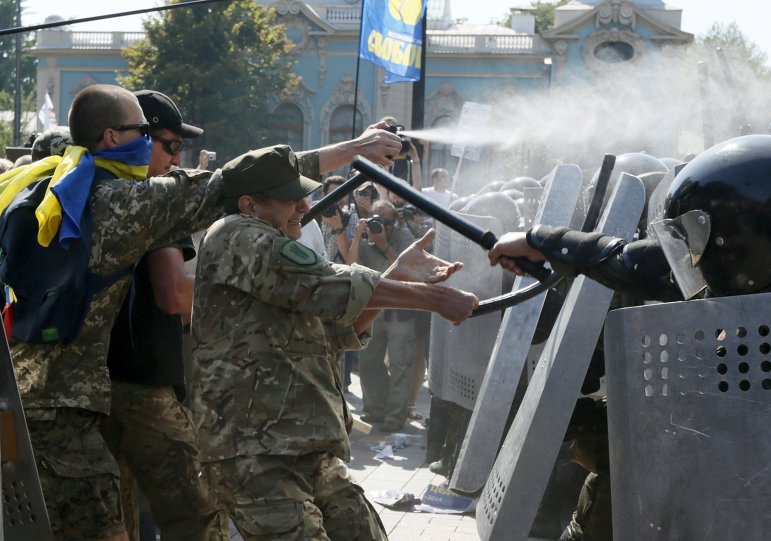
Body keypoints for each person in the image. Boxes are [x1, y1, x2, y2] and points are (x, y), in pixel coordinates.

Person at [5, 83, 402, 541]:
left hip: (31, 397)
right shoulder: (114, 202)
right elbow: (233, 183)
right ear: (113, 138)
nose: (166, 152)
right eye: (150, 135)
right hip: (60, 408)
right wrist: (353, 149)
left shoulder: (41, 190)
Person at [487, 134, 771, 540]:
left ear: (737, 242)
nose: (691, 260)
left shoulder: (753, 349)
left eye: (696, 242)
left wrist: (601, 428)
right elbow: (629, 260)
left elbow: (668, 453)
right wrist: (540, 241)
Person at [188, 145, 478, 540]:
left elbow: (336, 332)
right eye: (291, 198)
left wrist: (401, 274)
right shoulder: (236, 235)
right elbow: (332, 282)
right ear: (249, 203)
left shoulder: (274, 253)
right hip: (254, 453)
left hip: (305, 447)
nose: (304, 206)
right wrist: (436, 300)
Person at [101, 89, 227, 541]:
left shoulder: (97, 190)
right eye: (170, 145)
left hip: (94, 387)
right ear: (139, 138)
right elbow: (173, 293)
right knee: (199, 516)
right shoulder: (153, 203)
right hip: (143, 385)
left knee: (121, 519)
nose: (178, 158)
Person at [351, 199, 419, 433]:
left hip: (400, 311)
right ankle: (375, 408)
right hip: (372, 309)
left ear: (395, 221)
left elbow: (411, 271)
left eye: (387, 222)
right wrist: (359, 236)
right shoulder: (366, 238)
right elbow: (351, 265)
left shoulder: (404, 238)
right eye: (377, 221)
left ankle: (395, 415)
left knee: (400, 363)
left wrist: (384, 245)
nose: (382, 227)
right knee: (368, 361)